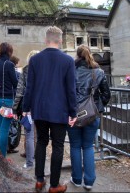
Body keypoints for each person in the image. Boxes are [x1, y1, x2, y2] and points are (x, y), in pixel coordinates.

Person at [22, 26, 77, 193]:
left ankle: (39, 180)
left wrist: (25, 108)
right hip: (60, 110)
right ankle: (54, 185)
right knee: (58, 146)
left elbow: (29, 87)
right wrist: (73, 112)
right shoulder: (68, 61)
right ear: (60, 40)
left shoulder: (35, 60)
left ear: (46, 40)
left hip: (39, 109)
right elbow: (71, 89)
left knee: (41, 143)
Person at [67, 44, 111, 191]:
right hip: (92, 115)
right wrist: (97, 107)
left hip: (73, 114)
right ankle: (89, 181)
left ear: (77, 56)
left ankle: (77, 179)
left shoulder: (70, 71)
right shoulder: (98, 72)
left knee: (74, 146)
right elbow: (106, 95)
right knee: (88, 146)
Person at [12, 50, 40, 169]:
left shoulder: (25, 70)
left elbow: (20, 91)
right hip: (42, 106)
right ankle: (40, 159)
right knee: (40, 135)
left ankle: (29, 163)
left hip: (28, 106)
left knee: (29, 134)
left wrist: (15, 108)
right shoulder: (45, 69)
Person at [0, 42, 18, 158]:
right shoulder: (9, 64)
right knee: (4, 130)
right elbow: (15, 83)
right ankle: (2, 156)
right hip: (7, 100)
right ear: (9, 51)